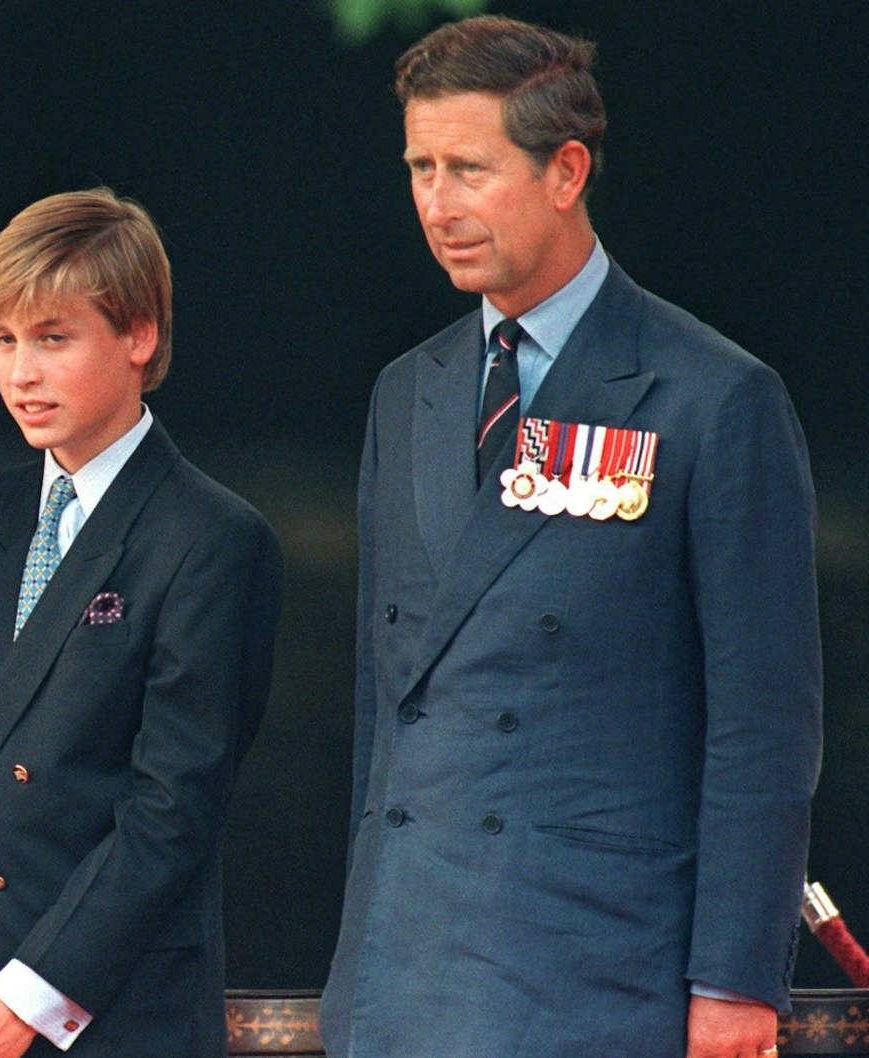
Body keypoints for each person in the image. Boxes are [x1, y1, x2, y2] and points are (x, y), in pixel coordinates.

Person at [320, 15, 822, 1058]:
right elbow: (390, 707)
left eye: (468, 167)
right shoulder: (404, 390)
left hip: (595, 970)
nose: (436, 203)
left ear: (565, 171)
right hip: (402, 965)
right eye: (419, 167)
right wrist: (354, 968)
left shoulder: (711, 396)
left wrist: (734, 977)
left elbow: (760, 723)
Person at [0, 188, 283, 1058]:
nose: (21, 372)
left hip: (114, 1013)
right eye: (4, 340)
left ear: (139, 336)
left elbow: (172, 808)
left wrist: (24, 1003)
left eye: (53, 339)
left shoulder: (213, 538)